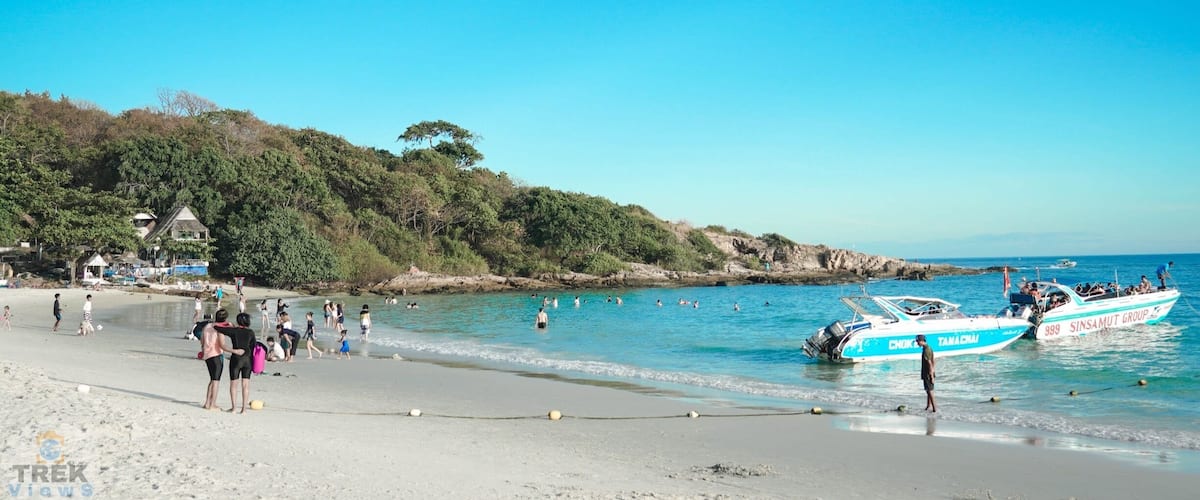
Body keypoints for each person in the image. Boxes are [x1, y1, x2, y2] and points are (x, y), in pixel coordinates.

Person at [215, 313, 256, 413]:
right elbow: (253, 346)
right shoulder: (251, 332)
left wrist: (228, 325)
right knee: (245, 385)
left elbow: (218, 328)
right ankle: (244, 410)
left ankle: (233, 408)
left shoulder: (234, 331)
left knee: (234, 384)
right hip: (247, 359)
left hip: (236, 358)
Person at [200, 315, 241, 411]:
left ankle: (207, 403)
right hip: (216, 355)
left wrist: (203, 348)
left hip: (207, 354)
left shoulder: (207, 326)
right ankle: (212, 404)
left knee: (212, 379)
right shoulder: (220, 330)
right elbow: (223, 346)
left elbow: (202, 340)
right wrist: (235, 351)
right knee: (216, 381)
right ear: (225, 319)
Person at [916, 334, 936, 412]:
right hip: (929, 372)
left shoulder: (926, 350)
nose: (917, 343)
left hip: (928, 373)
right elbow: (933, 360)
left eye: (918, 341)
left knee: (930, 391)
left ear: (922, 341)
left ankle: (934, 409)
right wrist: (933, 371)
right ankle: (928, 406)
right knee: (928, 390)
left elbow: (930, 363)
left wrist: (931, 376)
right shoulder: (928, 348)